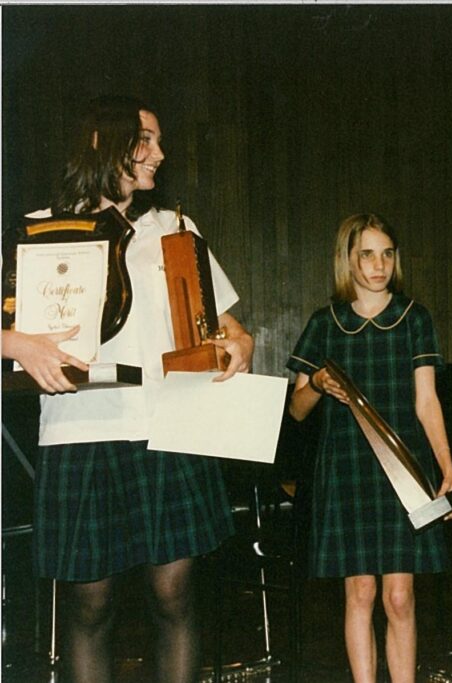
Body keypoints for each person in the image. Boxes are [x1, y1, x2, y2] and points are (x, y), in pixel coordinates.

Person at [28, 95, 254, 683]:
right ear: (103, 142)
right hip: (83, 431)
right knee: (89, 603)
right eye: (145, 139)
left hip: (167, 427)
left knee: (175, 594)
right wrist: (20, 346)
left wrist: (242, 346)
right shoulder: (46, 227)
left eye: (158, 140)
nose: (160, 152)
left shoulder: (177, 229)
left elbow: (230, 327)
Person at [287, 213, 452, 683]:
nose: (379, 264)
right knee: (361, 594)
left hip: (405, 472)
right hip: (346, 470)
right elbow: (297, 409)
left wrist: (447, 471)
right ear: (348, 259)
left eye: (387, 253)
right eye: (367, 253)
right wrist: (320, 384)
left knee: (400, 598)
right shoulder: (325, 324)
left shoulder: (415, 318)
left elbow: (427, 402)